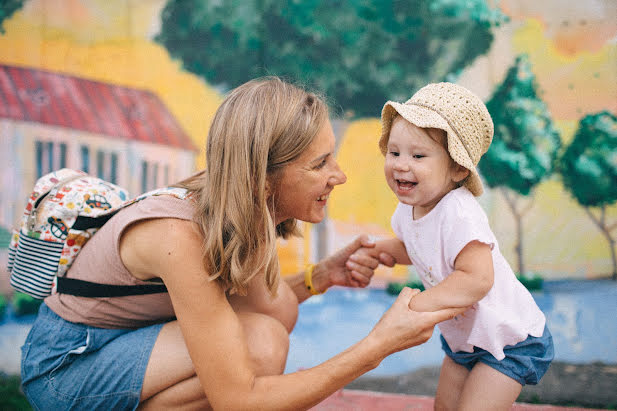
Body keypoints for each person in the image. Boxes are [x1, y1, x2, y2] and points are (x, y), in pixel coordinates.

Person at [20, 77, 465, 411]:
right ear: (263, 176)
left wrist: (322, 276)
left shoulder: (240, 213)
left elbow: (267, 309)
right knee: (258, 346)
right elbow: (241, 401)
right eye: (320, 163)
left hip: (123, 342)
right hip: (68, 367)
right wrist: (377, 346)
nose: (339, 175)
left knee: (268, 325)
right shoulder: (179, 236)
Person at [347, 82, 554, 410]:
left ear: (457, 167)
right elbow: (419, 246)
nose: (401, 164)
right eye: (394, 152)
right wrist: (382, 250)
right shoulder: (409, 208)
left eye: (418, 155)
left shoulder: (459, 211)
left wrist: (417, 307)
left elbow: (476, 279)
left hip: (509, 339)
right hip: (466, 340)